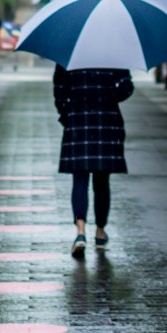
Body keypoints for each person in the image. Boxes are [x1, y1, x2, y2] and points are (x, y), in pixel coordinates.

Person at [53, 63, 133, 257]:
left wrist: (67, 113)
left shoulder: (69, 57)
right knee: (102, 181)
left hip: (78, 121)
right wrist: (107, 95)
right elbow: (126, 88)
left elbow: (60, 91)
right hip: (106, 122)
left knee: (79, 179)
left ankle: (80, 232)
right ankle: (99, 231)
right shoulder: (113, 55)